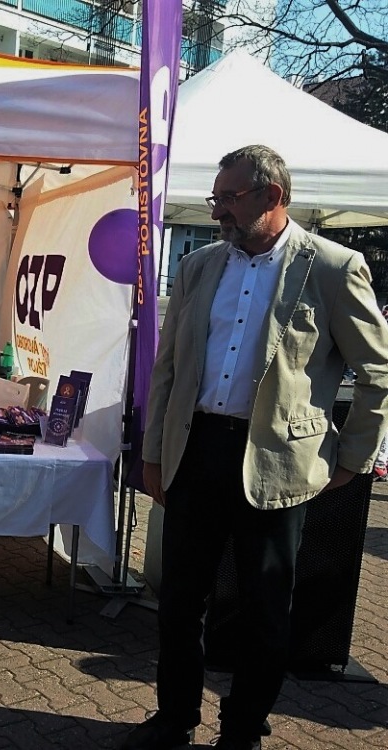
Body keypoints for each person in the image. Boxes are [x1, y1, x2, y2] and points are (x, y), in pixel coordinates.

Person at [124, 145, 388, 750]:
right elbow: (168, 369)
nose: (218, 211)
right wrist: (154, 452)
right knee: (179, 602)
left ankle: (242, 729)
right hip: (196, 451)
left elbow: (377, 370)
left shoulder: (332, 266)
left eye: (229, 199)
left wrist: (354, 457)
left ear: (273, 196)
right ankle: (174, 718)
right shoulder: (198, 266)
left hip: (276, 460)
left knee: (265, 608)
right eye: (215, 198)